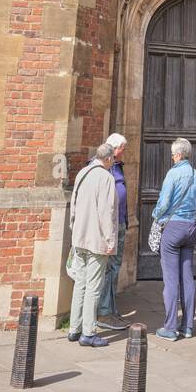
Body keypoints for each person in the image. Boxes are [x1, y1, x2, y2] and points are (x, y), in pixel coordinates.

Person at [152, 137, 196, 340]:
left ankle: (170, 327)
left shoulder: (172, 174)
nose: (172, 158)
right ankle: (188, 326)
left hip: (173, 228)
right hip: (190, 227)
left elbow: (164, 203)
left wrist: (156, 214)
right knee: (187, 277)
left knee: (171, 279)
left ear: (179, 155)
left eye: (173, 154)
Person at [67, 143, 118, 347]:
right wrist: (111, 240)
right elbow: (107, 213)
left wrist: (74, 227)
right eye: (113, 158)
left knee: (80, 283)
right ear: (108, 158)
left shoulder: (83, 173)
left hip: (79, 237)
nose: (113, 161)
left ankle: (74, 328)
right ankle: (88, 332)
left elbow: (74, 202)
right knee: (94, 287)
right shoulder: (106, 178)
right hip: (96, 240)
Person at [97, 132, 132, 328]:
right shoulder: (103, 167)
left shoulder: (116, 166)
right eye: (122, 148)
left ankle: (110, 307)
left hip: (119, 223)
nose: (124, 151)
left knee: (114, 268)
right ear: (113, 149)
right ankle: (103, 312)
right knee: (107, 268)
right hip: (108, 226)